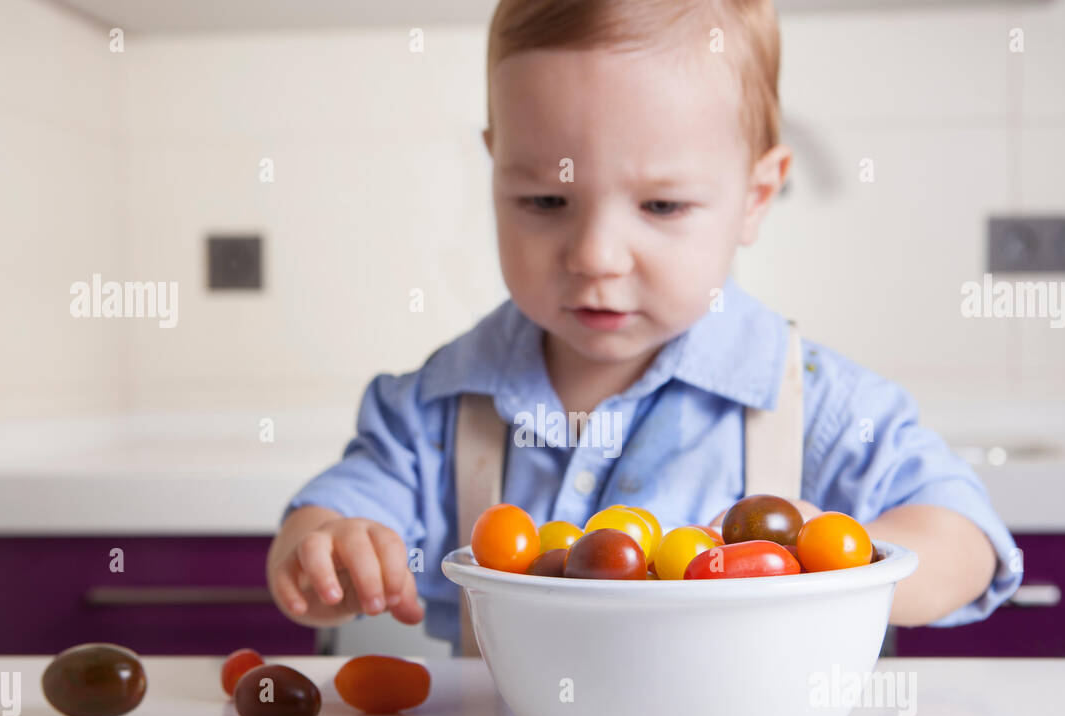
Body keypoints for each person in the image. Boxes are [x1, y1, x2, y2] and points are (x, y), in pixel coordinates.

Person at [266, 0, 1021, 649]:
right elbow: (337, 515)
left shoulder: (811, 403)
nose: (595, 256)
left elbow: (967, 540)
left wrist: (836, 559)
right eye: (545, 201)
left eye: (661, 207)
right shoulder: (433, 410)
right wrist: (323, 550)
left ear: (757, 196)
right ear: (495, 171)